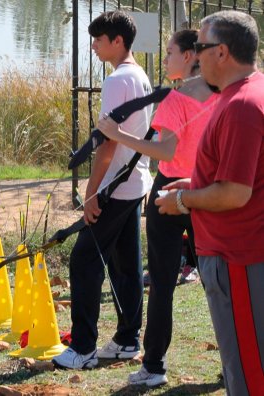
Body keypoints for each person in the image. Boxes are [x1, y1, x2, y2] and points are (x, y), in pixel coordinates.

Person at [97, 29, 218, 386]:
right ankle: (237, 360)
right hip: (210, 189)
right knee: (219, 282)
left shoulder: (178, 99)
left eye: (169, 53)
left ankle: (153, 367)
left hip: (172, 192)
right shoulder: (225, 94)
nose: (164, 59)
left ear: (190, 56)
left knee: (162, 282)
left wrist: (116, 134)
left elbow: (165, 152)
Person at [156, 10, 263, 396]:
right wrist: (197, 183)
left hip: (239, 259)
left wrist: (183, 200)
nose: (195, 57)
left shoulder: (241, 106)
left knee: (248, 375)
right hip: (240, 256)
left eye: (199, 48)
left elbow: (235, 192)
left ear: (221, 52)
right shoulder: (249, 92)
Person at [52, 10, 153, 370]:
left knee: (84, 261)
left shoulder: (116, 81)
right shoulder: (139, 74)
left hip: (115, 187)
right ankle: (127, 339)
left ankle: (83, 348)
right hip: (136, 182)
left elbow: (108, 144)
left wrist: (91, 193)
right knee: (126, 262)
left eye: (98, 40)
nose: (94, 46)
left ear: (117, 42)